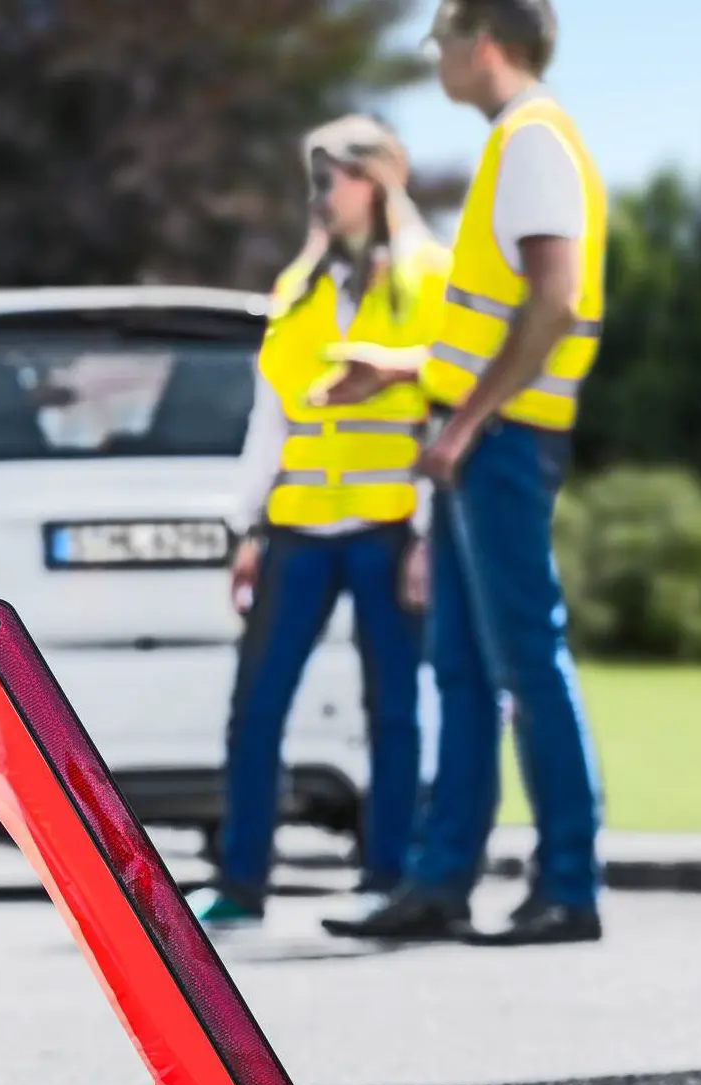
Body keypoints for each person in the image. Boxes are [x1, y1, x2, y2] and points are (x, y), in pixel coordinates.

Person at [321, 0, 608, 946]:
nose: (435, 59)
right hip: (479, 437)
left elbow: (554, 301)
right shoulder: (513, 142)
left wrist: (464, 427)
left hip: (500, 444)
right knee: (461, 670)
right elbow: (488, 325)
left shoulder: (530, 139)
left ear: (482, 42)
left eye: (441, 41)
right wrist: (403, 371)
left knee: (525, 660)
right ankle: (440, 882)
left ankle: (567, 886)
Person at [184, 114, 448, 927]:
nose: (317, 196)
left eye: (328, 177)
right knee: (255, 706)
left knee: (393, 709)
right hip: (296, 529)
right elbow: (270, 421)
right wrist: (246, 530)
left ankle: (388, 874)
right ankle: (242, 882)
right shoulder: (295, 290)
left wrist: (429, 536)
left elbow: (442, 410)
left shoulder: (430, 279)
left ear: (373, 181)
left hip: (386, 525)